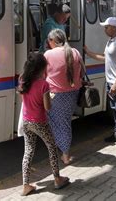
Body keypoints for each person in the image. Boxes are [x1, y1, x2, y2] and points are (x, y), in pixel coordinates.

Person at [18, 53, 69, 196]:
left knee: (28, 151)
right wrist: (49, 97)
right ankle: (57, 179)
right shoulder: (44, 85)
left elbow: (25, 100)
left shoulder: (22, 80)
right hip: (39, 122)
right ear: (42, 68)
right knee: (52, 148)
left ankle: (26, 185)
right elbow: (47, 107)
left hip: (26, 121)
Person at [84, 16, 116, 147]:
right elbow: (106, 58)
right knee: (114, 109)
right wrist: (89, 53)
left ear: (114, 28)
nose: (105, 29)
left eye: (106, 27)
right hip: (110, 81)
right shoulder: (111, 41)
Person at [44, 29, 83, 165]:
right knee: (65, 122)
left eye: (49, 41)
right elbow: (82, 73)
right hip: (72, 94)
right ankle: (63, 153)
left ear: (52, 41)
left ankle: (64, 155)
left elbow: (42, 75)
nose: (48, 44)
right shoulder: (75, 52)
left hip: (55, 95)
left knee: (55, 124)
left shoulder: (48, 54)